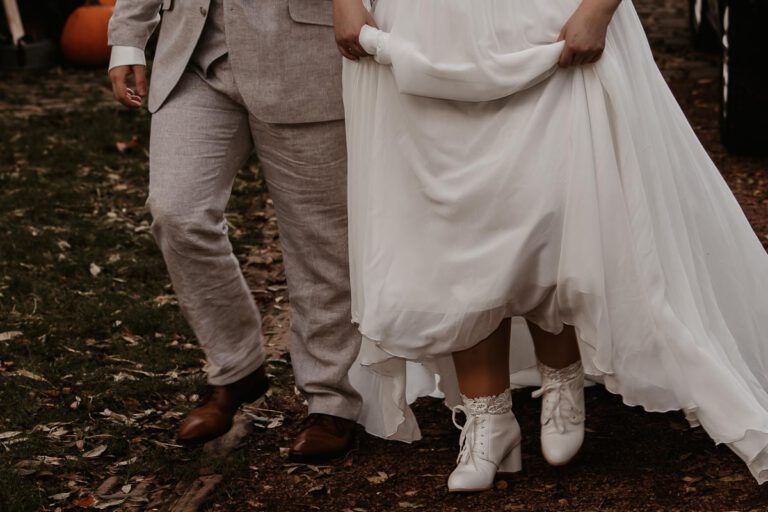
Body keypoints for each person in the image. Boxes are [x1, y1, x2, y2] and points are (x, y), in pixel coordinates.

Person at [334, 0, 768, 492]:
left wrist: (601, 9)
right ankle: (488, 418)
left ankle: (562, 377)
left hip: (545, 22)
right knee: (447, 221)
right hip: (423, 28)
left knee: (552, 204)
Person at [107, 0, 362, 462]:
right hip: (193, 58)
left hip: (302, 53)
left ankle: (331, 399)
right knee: (177, 213)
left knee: (320, 240)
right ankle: (236, 366)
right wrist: (128, 37)